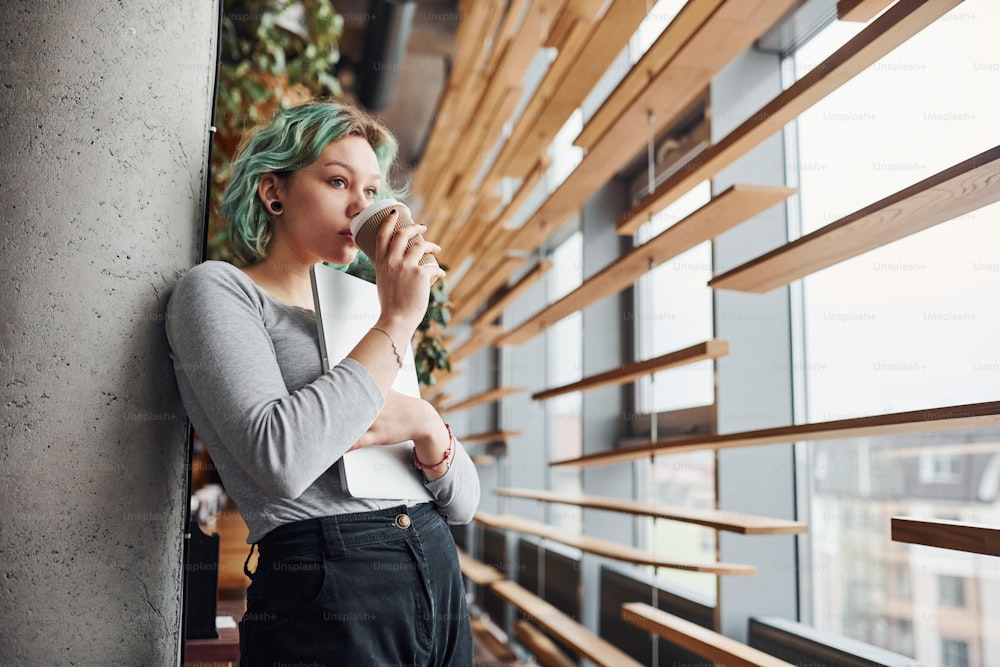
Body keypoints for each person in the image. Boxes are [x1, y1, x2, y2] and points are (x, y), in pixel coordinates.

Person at [165, 101, 480, 666]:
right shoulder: (220, 291)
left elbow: (463, 504)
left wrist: (429, 426)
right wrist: (399, 321)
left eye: (372, 190)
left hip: (436, 567)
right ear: (273, 192)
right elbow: (279, 458)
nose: (362, 206)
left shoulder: (366, 313)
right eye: (338, 181)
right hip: (330, 579)